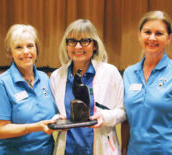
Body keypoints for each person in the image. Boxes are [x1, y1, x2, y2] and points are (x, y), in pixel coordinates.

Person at [121, 11, 172, 155]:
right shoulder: (129, 74)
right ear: (139, 35)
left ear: (169, 38)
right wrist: (123, 150)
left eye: (159, 33)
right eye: (147, 32)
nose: (152, 38)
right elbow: (126, 121)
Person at [50, 19, 126, 155]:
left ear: (95, 45)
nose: (78, 47)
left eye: (85, 41)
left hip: (102, 148)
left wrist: (105, 117)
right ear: (66, 45)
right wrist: (56, 119)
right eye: (72, 41)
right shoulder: (57, 76)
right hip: (68, 149)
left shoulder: (110, 73)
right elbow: (55, 112)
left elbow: (123, 111)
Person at [0, 24, 58, 155]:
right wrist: (35, 127)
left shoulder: (45, 79)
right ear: (10, 53)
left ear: (36, 49)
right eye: (19, 47)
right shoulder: (1, 83)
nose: (26, 51)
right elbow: (0, 130)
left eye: (30, 46)